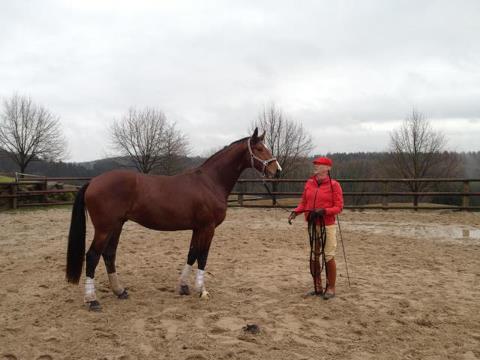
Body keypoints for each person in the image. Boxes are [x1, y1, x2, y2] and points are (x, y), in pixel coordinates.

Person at [288, 156, 343, 299]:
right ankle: (317, 287)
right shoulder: (309, 183)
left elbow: (339, 207)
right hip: (312, 224)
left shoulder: (334, 185)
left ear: (328, 168)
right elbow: (304, 202)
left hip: (327, 225)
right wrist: (296, 212)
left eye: (319, 164)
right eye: (316, 164)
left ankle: (331, 287)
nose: (316, 166)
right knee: (314, 254)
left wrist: (324, 211)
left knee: (329, 254)